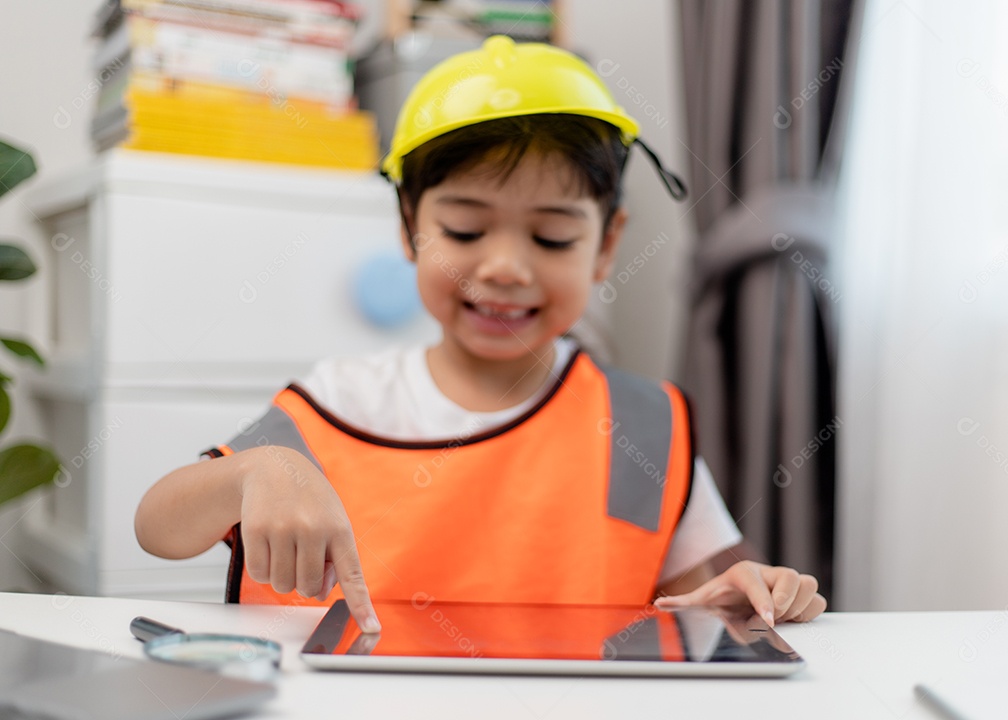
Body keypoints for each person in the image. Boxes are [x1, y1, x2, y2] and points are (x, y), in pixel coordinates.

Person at [135, 36, 826, 634]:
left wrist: (751, 592)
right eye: (465, 230)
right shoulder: (337, 402)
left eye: (552, 236)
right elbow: (157, 527)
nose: (504, 268)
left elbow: (713, 592)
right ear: (408, 227)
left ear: (607, 245)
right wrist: (259, 471)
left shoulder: (643, 426)